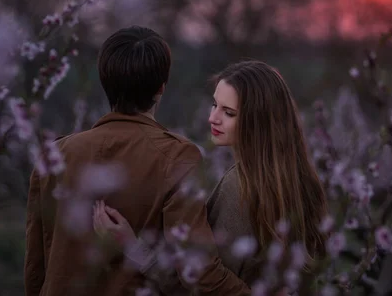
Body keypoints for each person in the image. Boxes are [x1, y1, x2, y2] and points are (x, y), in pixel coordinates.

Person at [24, 26, 250, 296]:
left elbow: (36, 269)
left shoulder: (54, 156)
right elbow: (199, 271)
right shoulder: (177, 156)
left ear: (105, 81)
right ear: (161, 88)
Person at [94, 60, 329, 293]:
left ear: (257, 121)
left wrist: (133, 248)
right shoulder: (302, 183)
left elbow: (206, 285)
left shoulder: (240, 187)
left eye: (228, 112)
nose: (213, 118)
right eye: (214, 104)